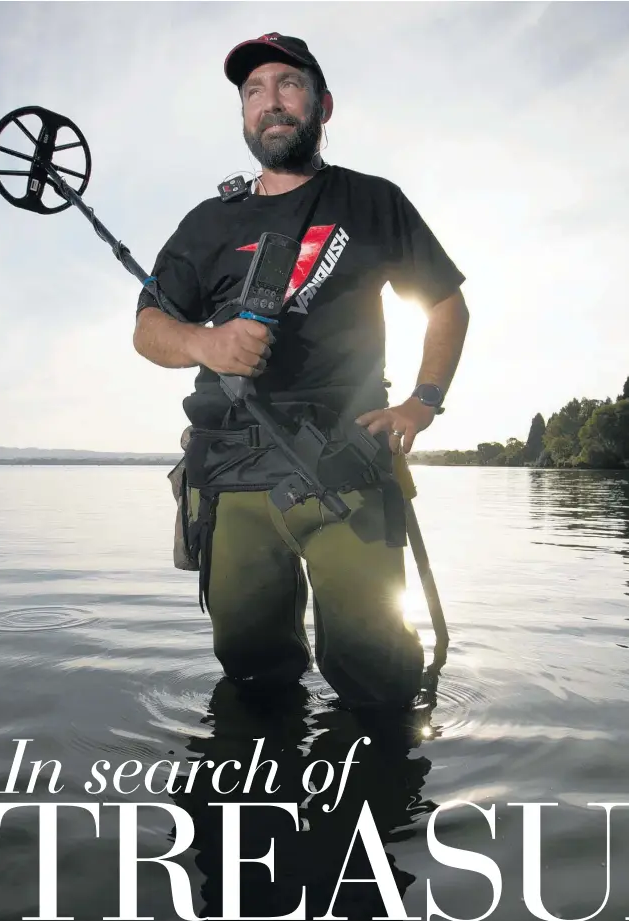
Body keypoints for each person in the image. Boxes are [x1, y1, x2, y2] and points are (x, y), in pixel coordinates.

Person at [133, 32, 469, 712]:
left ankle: (381, 801)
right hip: (231, 477)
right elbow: (147, 330)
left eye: (287, 83)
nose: (270, 102)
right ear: (244, 116)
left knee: (378, 674)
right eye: (253, 91)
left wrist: (421, 402)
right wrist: (207, 343)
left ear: (323, 104)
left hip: (345, 467)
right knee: (251, 672)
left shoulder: (374, 200)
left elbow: (446, 306)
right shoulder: (207, 222)